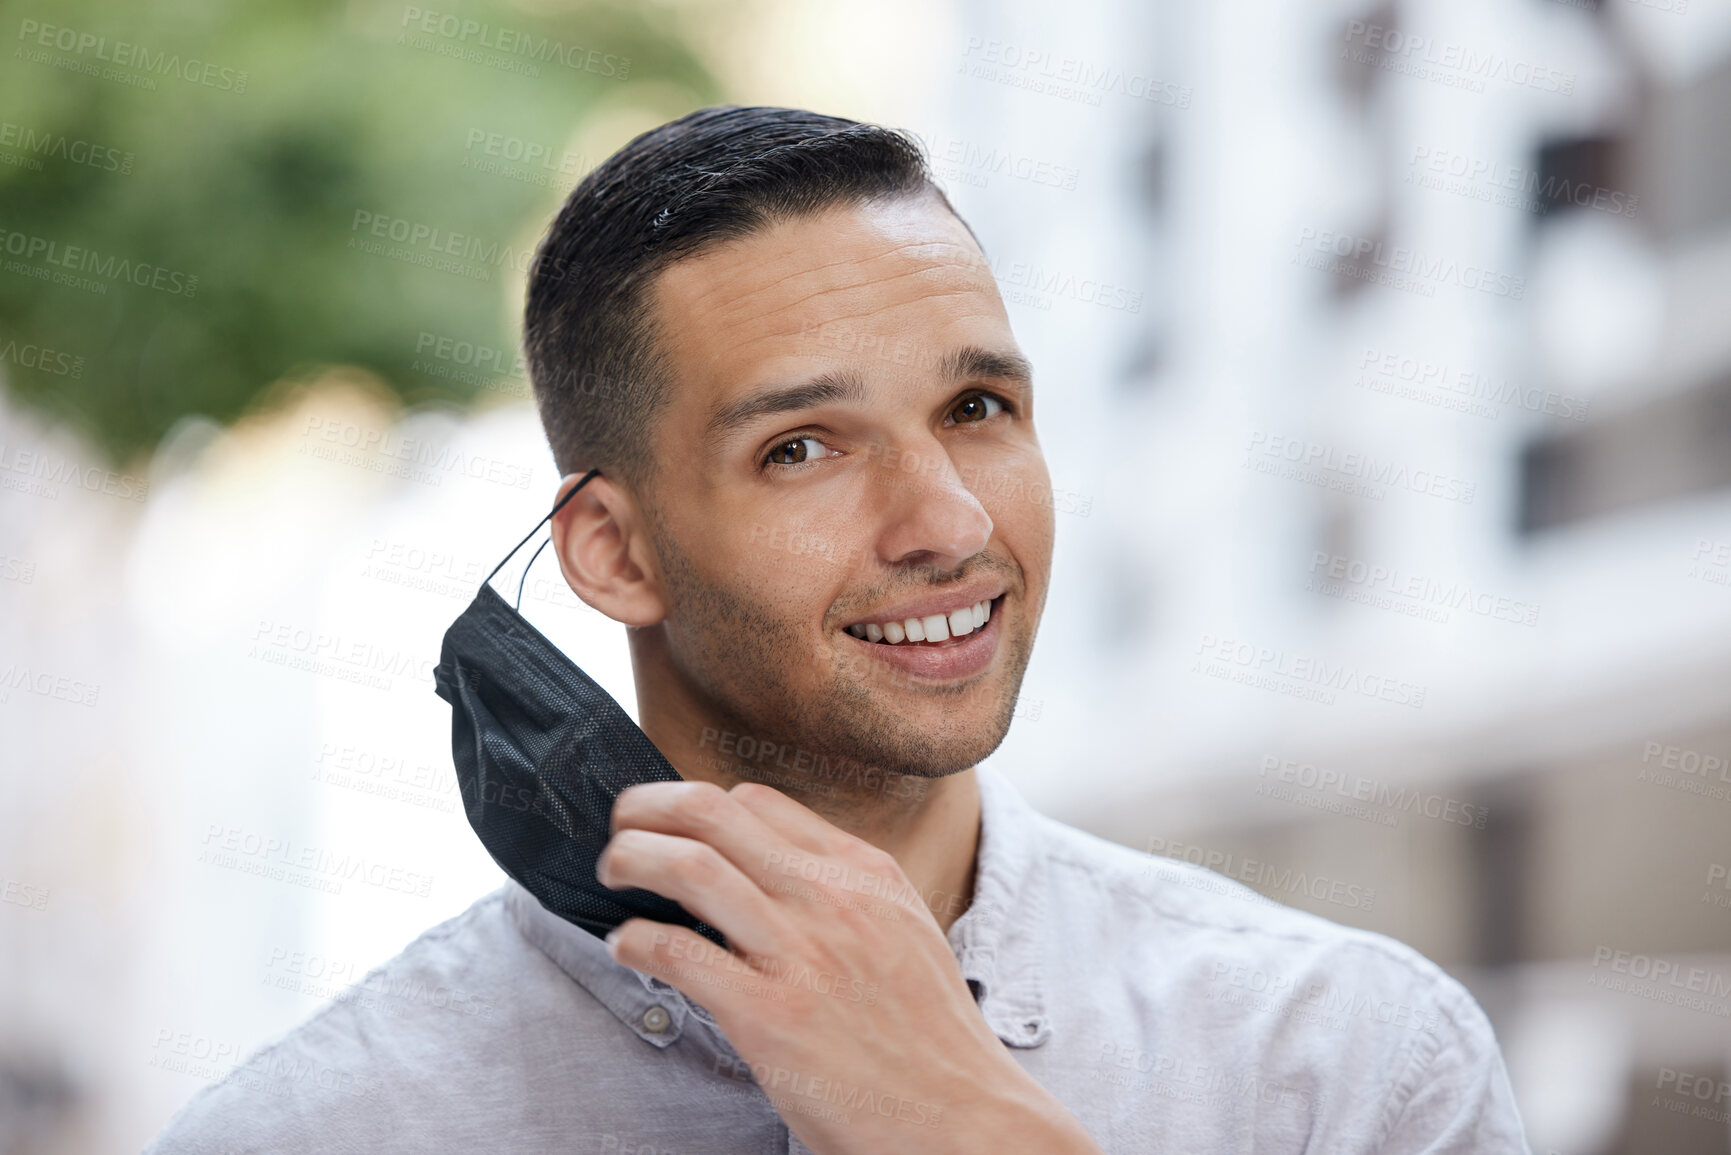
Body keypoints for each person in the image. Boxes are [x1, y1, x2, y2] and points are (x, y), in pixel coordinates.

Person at [148, 105, 1531, 1154]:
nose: (943, 522)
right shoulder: (324, 1128)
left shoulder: (1346, 1068)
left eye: (977, 410)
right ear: (614, 551)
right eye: (806, 447)